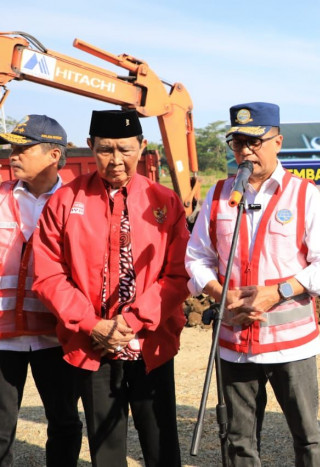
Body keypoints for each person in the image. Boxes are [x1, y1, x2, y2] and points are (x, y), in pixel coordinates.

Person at [185, 102, 320, 466]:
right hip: (234, 342)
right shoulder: (219, 195)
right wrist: (219, 294)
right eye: (238, 143)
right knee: (238, 442)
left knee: (306, 438)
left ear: (278, 142)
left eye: (255, 142)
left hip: (290, 346)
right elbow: (196, 258)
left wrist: (278, 292)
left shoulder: (303, 194)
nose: (245, 151)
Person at [32, 109, 190, 467]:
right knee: (106, 450)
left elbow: (178, 274)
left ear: (142, 146)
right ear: (90, 147)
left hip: (151, 341)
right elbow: (48, 274)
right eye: (105, 150)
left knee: (161, 443)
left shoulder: (164, 201)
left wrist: (134, 320)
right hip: (93, 343)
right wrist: (93, 325)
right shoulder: (65, 201)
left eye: (125, 149)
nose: (116, 160)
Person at [0, 115, 82, 466]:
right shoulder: (1, 198)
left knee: (63, 421)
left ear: (53, 154)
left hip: (56, 335)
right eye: (11, 148)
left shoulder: (77, 203)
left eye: (23, 148)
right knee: (0, 428)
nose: (12, 155)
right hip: (3, 336)